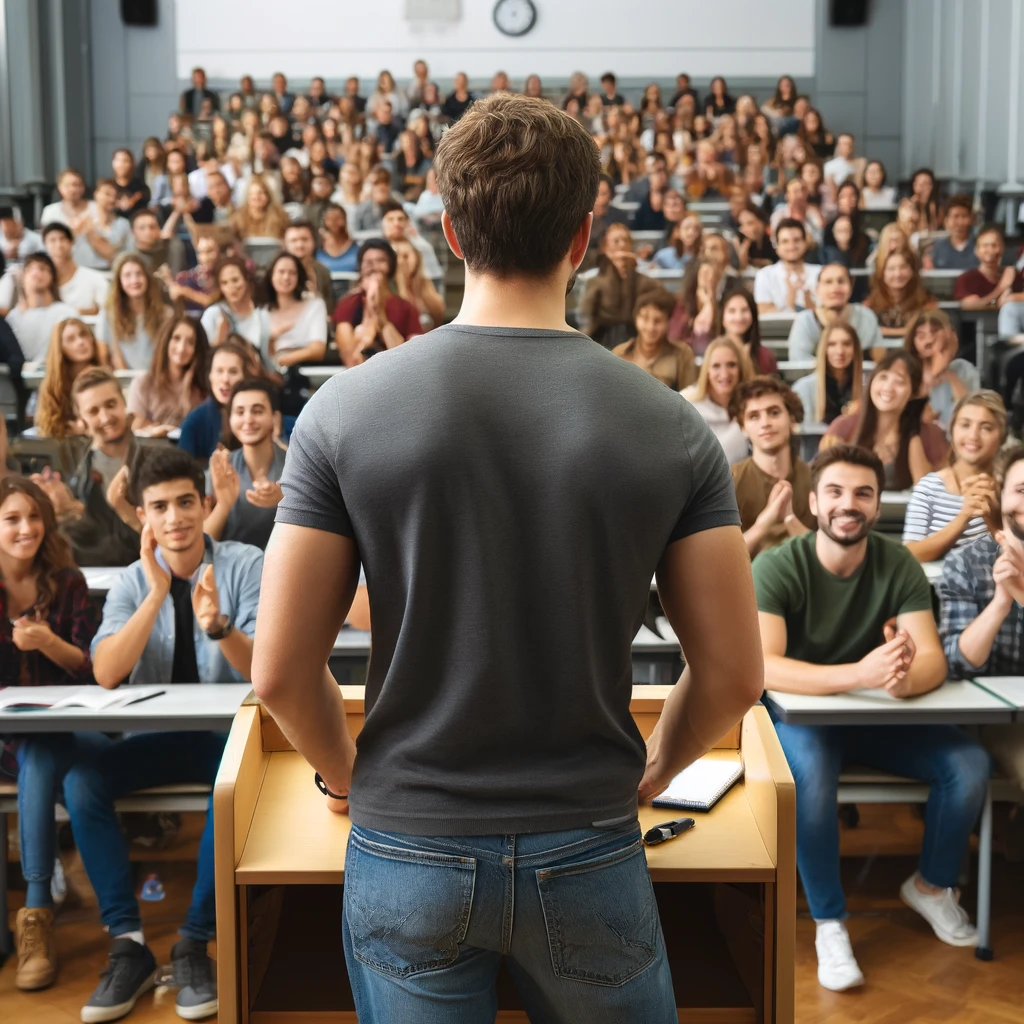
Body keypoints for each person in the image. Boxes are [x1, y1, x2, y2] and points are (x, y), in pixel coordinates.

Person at [252, 91, 761, 1024]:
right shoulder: (672, 424)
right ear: (583, 233)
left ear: (449, 231)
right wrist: (654, 769)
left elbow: (280, 671)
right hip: (588, 836)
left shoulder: (341, 411)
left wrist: (351, 777)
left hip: (408, 837)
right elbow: (731, 675)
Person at [757, 442, 988, 991]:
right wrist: (860, 674)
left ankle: (931, 887)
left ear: (879, 503)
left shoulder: (898, 562)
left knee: (970, 764)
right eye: (835, 491)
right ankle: (829, 921)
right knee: (808, 781)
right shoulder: (777, 565)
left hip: (875, 715)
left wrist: (902, 674)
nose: (848, 503)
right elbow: (765, 667)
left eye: (863, 493)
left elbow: (931, 659)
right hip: (802, 720)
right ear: (815, 503)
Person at [62, 447, 262, 1023]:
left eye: (183, 502)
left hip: (229, 741)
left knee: (230, 787)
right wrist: (155, 595)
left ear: (204, 504)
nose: (173, 517)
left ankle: (193, 943)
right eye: (158, 507)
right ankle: (128, 943)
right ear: (143, 516)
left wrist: (219, 626)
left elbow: (262, 670)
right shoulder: (130, 582)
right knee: (82, 781)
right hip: (152, 741)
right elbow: (105, 672)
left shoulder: (246, 564)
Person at [0, 476, 99, 992]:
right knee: (35, 753)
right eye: (12, 519)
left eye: (34, 517)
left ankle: (36, 911)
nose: (26, 529)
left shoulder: (68, 582)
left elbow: (91, 672)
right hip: (4, 743)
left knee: (43, 751)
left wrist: (47, 643)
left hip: (65, 731)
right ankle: (36, 907)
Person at [940, 446, 1024, 825]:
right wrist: (1002, 602)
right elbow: (959, 663)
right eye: (1022, 490)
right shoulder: (968, 561)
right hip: (998, 720)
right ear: (1002, 496)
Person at [33, 368, 143, 566]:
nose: (105, 417)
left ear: (124, 403)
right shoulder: (78, 474)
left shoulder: (152, 458)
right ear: (82, 421)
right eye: (94, 411)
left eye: (111, 404)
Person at [903, 390, 1005, 563]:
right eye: (965, 425)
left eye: (986, 427)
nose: (973, 436)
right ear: (952, 430)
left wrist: (994, 520)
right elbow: (909, 554)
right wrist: (963, 517)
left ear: (1001, 436)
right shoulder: (928, 487)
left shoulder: (1012, 489)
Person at [823, 350, 949, 489]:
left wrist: (913, 432)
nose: (888, 387)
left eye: (900, 382)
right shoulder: (843, 426)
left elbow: (928, 492)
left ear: (913, 392)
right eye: (883, 377)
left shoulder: (928, 434)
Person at [730, 376, 814, 555]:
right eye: (754, 416)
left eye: (774, 412)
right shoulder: (728, 481)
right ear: (743, 428)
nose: (765, 423)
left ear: (792, 420)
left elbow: (831, 554)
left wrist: (790, 520)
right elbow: (718, 560)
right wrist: (763, 525)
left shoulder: (817, 480)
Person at [203, 378, 285, 550]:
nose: (248, 420)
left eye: (257, 411)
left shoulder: (296, 465)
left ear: (275, 418)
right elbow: (203, 544)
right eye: (240, 412)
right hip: (230, 570)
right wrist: (224, 504)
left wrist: (287, 500)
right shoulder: (221, 468)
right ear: (230, 418)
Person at [331, 240, 424, 366]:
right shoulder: (348, 303)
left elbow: (410, 358)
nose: (374, 266)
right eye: (368, 262)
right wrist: (369, 313)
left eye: (380, 260)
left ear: (390, 266)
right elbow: (350, 357)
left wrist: (381, 316)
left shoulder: (406, 307)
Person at [178, 338, 263, 461]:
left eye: (233, 372)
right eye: (219, 371)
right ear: (210, 376)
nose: (225, 379)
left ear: (245, 376)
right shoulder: (194, 421)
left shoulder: (261, 417)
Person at [577, 223, 660, 348]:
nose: (622, 245)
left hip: (637, 335)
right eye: (616, 241)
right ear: (605, 246)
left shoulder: (643, 273)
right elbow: (585, 316)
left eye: (625, 240)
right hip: (602, 336)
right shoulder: (593, 277)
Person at [127, 314, 210, 434]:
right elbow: (135, 429)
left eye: (190, 342)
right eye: (176, 338)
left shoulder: (203, 387)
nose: (181, 348)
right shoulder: (142, 383)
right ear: (166, 340)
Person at [787, 262, 883, 360]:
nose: (835, 288)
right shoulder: (805, 321)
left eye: (841, 281)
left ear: (851, 286)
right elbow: (797, 365)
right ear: (817, 289)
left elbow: (879, 362)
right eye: (828, 282)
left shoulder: (865, 317)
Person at [681, 336, 754, 464]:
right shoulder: (687, 407)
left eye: (731, 365)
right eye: (716, 366)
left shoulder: (754, 406)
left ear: (741, 368)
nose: (724, 374)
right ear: (707, 371)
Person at [904, 309, 980, 429]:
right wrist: (935, 373)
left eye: (934, 332)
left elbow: (972, 412)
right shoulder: (906, 370)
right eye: (921, 335)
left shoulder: (963, 369)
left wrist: (949, 374)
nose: (929, 340)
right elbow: (914, 417)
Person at [35, 318, 109, 439]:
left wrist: (86, 427)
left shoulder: (104, 378)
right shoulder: (51, 386)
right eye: (71, 339)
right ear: (60, 347)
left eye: (83, 335)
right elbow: (47, 426)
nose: (80, 342)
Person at [95, 253, 172, 370]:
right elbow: (104, 356)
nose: (134, 280)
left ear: (147, 278)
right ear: (119, 281)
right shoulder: (108, 314)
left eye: (139, 274)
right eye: (127, 275)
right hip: (123, 380)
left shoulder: (165, 314)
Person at [612, 287, 696, 389]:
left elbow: (689, 397)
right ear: (636, 318)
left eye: (658, 321)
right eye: (645, 318)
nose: (650, 327)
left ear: (668, 322)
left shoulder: (682, 354)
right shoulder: (620, 353)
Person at [259, 251, 328, 371]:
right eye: (281, 272)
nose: (286, 277)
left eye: (292, 273)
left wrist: (280, 361)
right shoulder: (262, 311)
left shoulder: (315, 305)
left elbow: (317, 350)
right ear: (271, 275)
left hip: (301, 372)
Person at [3, 254, 77, 362]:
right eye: (29, 269)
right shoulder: (12, 318)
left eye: (43, 268)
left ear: (52, 276)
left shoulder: (66, 313)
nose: (36, 273)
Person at [792, 321, 864, 428]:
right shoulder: (803, 389)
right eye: (832, 344)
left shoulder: (866, 389)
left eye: (847, 344)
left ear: (855, 350)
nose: (840, 351)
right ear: (823, 349)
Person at [200, 256, 270, 352]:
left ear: (246, 280)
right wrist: (219, 340)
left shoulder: (263, 313)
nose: (231, 287)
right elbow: (202, 355)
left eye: (235, 280)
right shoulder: (213, 314)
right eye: (224, 283)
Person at [754, 219, 821, 313]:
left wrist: (806, 294)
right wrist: (790, 297)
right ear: (777, 247)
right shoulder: (765, 275)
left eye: (796, 240)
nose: (791, 246)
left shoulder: (820, 272)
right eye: (785, 241)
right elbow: (763, 314)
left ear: (805, 243)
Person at [865, 248, 936, 337]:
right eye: (891, 269)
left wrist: (884, 331)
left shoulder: (926, 300)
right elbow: (866, 332)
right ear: (882, 273)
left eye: (903, 267)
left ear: (912, 271)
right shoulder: (870, 303)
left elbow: (927, 331)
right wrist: (906, 331)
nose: (898, 274)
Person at [41, 223, 109, 314]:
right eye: (52, 240)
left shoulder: (95, 279)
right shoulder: (42, 282)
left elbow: (109, 311)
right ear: (45, 245)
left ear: (71, 242)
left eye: (62, 239)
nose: (59, 245)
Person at [71, 179, 132, 271]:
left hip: (112, 273)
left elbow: (119, 255)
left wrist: (90, 234)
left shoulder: (124, 224)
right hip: (84, 272)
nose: (112, 199)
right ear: (96, 194)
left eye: (116, 196)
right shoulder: (79, 221)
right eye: (107, 194)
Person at [668, 257, 722, 355]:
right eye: (705, 274)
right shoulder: (681, 306)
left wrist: (709, 305)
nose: (710, 279)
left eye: (714, 275)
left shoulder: (724, 306)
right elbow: (675, 341)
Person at [720, 288, 777, 374]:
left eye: (744, 310)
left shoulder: (765, 356)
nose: (739, 317)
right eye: (732, 311)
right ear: (722, 317)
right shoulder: (714, 354)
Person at [379, 201, 443, 279]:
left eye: (400, 219)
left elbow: (432, 279)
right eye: (390, 220)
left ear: (407, 223)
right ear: (383, 224)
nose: (396, 224)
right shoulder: (377, 249)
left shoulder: (422, 247)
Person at [392, 239, 445, 329]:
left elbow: (438, 314)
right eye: (396, 257)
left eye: (405, 256)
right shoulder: (389, 289)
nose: (400, 262)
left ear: (417, 257)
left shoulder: (424, 284)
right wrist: (402, 284)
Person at [283, 220, 333, 309]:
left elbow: (330, 307)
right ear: (285, 244)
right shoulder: (276, 271)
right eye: (294, 240)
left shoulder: (323, 271)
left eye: (304, 239)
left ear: (314, 241)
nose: (300, 245)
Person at [126, 208, 185, 278]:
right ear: (133, 231)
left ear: (159, 229)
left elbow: (178, 277)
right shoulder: (130, 255)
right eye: (142, 228)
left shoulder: (173, 246)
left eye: (152, 227)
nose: (148, 232)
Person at [924, 194, 978, 271]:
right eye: (955, 216)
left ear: (971, 219)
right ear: (946, 220)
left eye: (964, 216)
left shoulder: (979, 246)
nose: (960, 222)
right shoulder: (935, 248)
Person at [769, 178, 824, 248]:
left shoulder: (814, 212)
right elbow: (775, 242)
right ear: (787, 196)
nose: (801, 195)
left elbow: (820, 239)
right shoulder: (778, 215)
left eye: (803, 190)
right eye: (796, 191)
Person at [231, 175, 288, 241]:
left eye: (260, 193)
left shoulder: (280, 216)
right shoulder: (238, 219)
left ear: (268, 196)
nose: (256, 197)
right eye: (252, 194)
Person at [315, 203, 359, 273]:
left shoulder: (357, 246)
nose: (334, 222)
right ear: (324, 221)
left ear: (345, 219)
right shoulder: (317, 247)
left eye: (338, 218)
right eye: (330, 219)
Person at [110, 149, 150, 218]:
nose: (121, 165)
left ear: (133, 163)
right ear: (113, 163)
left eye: (125, 161)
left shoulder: (141, 187)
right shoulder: (108, 187)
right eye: (118, 160)